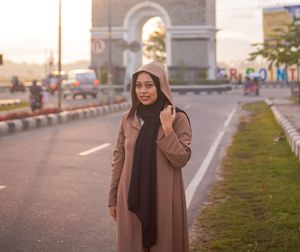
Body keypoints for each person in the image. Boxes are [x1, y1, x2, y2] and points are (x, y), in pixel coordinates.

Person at [108, 61, 192, 252]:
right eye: (138, 85)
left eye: (149, 85)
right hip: (131, 198)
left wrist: (168, 129)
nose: (143, 91)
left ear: (161, 86)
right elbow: (118, 160)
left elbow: (181, 159)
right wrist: (113, 199)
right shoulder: (128, 119)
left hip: (163, 199)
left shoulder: (177, 118)